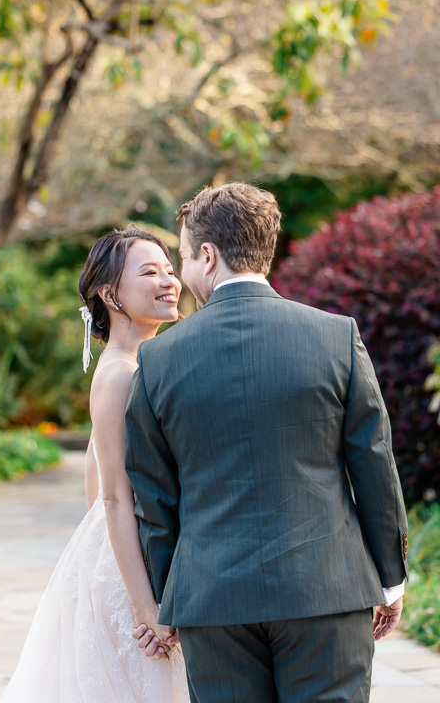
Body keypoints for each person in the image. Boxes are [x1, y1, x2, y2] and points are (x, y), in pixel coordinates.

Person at [125, 183, 409, 703]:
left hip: (212, 601)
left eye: (185, 259)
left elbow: (154, 497)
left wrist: (172, 599)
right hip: (326, 588)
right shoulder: (336, 337)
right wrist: (391, 578)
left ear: (207, 256)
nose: (184, 275)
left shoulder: (159, 361)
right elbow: (372, 461)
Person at [0, 227, 189, 703]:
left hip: (120, 557)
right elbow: (112, 495)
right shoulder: (121, 374)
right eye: (150, 272)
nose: (170, 281)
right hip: (136, 574)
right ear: (109, 294)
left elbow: (93, 480)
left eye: (170, 268)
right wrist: (143, 606)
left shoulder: (132, 363)